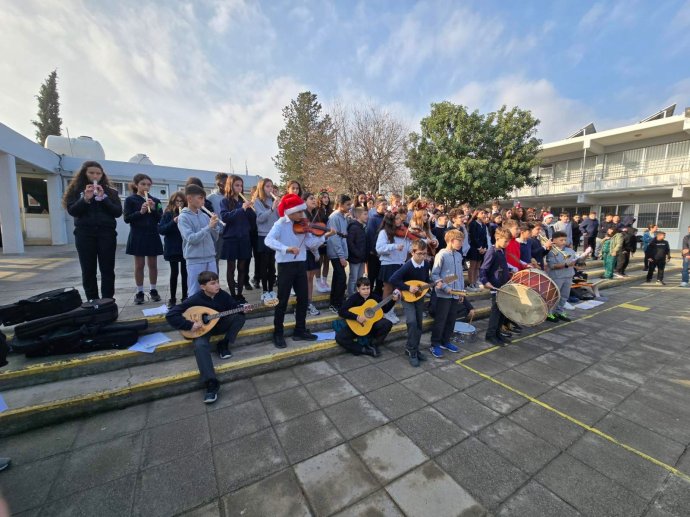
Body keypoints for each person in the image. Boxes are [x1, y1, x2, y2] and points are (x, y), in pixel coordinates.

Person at [265, 194, 335, 349]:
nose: (302, 214)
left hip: (300, 264)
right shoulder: (280, 223)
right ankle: (278, 333)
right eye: (298, 212)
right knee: (282, 301)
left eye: (302, 211)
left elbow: (310, 243)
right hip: (285, 266)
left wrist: (325, 236)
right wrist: (286, 249)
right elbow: (268, 240)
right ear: (290, 211)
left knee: (303, 299)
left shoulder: (303, 223)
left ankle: (300, 330)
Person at [166, 271, 248, 403]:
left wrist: (242, 308)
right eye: (213, 283)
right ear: (203, 287)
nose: (217, 285)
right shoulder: (195, 299)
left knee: (240, 317)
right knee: (200, 345)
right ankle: (211, 383)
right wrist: (189, 325)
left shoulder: (222, 295)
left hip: (219, 325)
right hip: (201, 329)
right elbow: (171, 315)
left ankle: (224, 344)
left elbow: (234, 307)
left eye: (218, 282)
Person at [63, 160, 122, 301]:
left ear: (102, 175)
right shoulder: (76, 190)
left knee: (107, 269)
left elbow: (117, 212)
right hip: (84, 234)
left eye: (98, 173)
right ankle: (92, 301)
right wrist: (85, 199)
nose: (95, 176)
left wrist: (104, 198)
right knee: (88, 270)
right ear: (85, 173)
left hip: (106, 234)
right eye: (91, 173)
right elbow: (72, 211)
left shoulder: (111, 192)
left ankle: (107, 300)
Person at [389, 240, 436, 366]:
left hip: (419, 297)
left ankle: (414, 348)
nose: (422, 256)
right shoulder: (408, 265)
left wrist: (433, 284)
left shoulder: (426, 264)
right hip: (407, 297)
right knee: (412, 322)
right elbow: (393, 279)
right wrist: (408, 287)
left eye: (424, 254)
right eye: (420, 253)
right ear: (412, 252)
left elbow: (426, 280)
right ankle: (411, 350)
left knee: (419, 324)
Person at [429, 229, 473, 358]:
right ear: (451, 240)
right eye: (459, 241)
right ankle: (435, 344)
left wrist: (460, 292)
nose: (461, 243)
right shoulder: (441, 255)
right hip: (443, 295)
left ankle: (445, 341)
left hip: (455, 294)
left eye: (462, 241)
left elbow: (459, 276)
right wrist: (445, 287)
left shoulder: (458, 255)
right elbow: (435, 275)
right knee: (440, 320)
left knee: (451, 319)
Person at [123, 173, 163, 304]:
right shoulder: (130, 200)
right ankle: (139, 292)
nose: (146, 187)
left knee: (153, 265)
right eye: (143, 184)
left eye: (148, 185)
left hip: (152, 234)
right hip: (138, 234)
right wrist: (140, 212)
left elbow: (161, 218)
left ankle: (153, 290)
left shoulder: (156, 200)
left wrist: (154, 209)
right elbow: (127, 218)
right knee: (139, 265)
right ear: (136, 185)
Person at [177, 185, 222, 296]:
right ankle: (195, 308)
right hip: (195, 259)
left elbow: (215, 238)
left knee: (213, 289)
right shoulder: (183, 217)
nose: (203, 201)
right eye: (200, 198)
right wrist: (208, 227)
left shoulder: (205, 216)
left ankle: (212, 307)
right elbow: (192, 239)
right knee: (195, 290)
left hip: (210, 257)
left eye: (204, 198)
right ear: (189, 199)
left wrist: (215, 226)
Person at [336, 277, 398, 357]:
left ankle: (374, 344)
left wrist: (393, 300)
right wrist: (356, 317)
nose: (366, 291)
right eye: (363, 289)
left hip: (371, 325)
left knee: (388, 323)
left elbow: (385, 309)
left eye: (368, 288)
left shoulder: (374, 297)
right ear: (358, 289)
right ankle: (363, 350)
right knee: (340, 337)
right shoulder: (353, 298)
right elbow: (341, 311)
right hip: (356, 325)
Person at [220, 175, 256, 303]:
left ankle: (240, 294)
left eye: (241, 185)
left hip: (244, 238)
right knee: (231, 268)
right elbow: (225, 217)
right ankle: (232, 295)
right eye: (237, 185)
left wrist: (251, 209)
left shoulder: (243, 201)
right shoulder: (225, 201)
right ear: (230, 186)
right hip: (231, 238)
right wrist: (242, 209)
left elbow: (252, 221)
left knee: (242, 268)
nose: (239, 188)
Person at [375, 212, 412, 324]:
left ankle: (391, 310)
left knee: (397, 290)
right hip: (389, 263)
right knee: (388, 289)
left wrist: (414, 247)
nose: (400, 220)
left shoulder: (403, 232)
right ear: (391, 221)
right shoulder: (384, 232)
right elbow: (379, 248)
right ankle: (385, 312)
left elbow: (409, 247)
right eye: (397, 218)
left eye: (400, 218)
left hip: (401, 263)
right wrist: (395, 246)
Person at [480, 227, 512, 346]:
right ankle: (490, 335)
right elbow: (483, 269)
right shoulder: (491, 252)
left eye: (508, 241)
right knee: (496, 312)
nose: (507, 244)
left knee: (502, 312)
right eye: (506, 241)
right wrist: (485, 281)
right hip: (495, 287)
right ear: (497, 238)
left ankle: (498, 334)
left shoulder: (502, 250)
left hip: (503, 286)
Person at [158, 192, 188, 308]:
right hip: (172, 247)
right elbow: (161, 230)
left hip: (184, 247)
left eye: (181, 201)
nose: (179, 204)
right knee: (174, 273)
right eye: (177, 201)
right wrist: (173, 222)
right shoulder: (168, 214)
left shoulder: (186, 214)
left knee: (185, 273)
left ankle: (185, 297)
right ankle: (172, 298)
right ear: (173, 202)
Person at [252, 178, 279, 303]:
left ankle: (271, 289)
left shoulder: (274, 200)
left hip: (274, 236)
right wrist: (272, 209)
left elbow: (279, 218)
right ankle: (264, 290)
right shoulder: (258, 201)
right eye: (267, 186)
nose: (270, 189)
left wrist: (280, 206)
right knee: (264, 265)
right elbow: (260, 219)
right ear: (262, 188)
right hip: (263, 236)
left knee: (272, 264)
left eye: (271, 186)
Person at [327, 194, 352, 312]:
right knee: (341, 277)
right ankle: (335, 303)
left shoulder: (343, 216)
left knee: (338, 277)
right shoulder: (334, 217)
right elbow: (334, 238)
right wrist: (341, 256)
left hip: (341, 251)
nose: (350, 206)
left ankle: (336, 301)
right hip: (336, 253)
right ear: (340, 205)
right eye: (347, 204)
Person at [545, 231, 576, 323]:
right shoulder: (551, 251)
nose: (564, 242)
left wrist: (583, 257)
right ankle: (549, 313)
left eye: (565, 240)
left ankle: (559, 311)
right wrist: (566, 264)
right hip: (557, 276)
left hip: (568, 275)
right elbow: (552, 266)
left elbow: (575, 260)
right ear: (554, 240)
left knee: (564, 296)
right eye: (561, 240)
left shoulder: (569, 250)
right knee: (554, 296)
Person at [303, 192, 324, 316]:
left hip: (312, 250)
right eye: (311, 198)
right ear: (304, 201)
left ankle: (309, 302)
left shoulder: (315, 215)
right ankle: (303, 303)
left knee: (311, 278)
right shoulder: (302, 215)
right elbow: (308, 240)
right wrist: (324, 236)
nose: (314, 200)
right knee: (305, 279)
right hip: (304, 251)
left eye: (314, 198)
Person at [366, 198, 388, 296]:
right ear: (377, 206)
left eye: (386, 204)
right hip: (374, 253)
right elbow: (370, 236)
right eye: (383, 204)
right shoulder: (373, 219)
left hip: (383, 253)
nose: (385, 207)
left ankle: (378, 295)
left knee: (380, 276)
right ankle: (369, 295)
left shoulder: (386, 218)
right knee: (372, 275)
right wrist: (374, 251)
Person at [206, 173, 228, 269]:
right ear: (218, 184)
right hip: (218, 234)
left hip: (230, 232)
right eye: (223, 183)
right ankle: (215, 277)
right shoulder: (211, 198)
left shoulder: (230, 197)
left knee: (231, 260)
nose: (225, 185)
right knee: (215, 259)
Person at [347, 207, 368, 297]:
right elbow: (350, 243)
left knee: (359, 278)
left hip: (361, 258)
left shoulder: (362, 227)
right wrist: (358, 254)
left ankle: (357, 295)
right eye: (365, 214)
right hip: (355, 258)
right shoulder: (354, 227)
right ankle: (351, 295)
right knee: (353, 278)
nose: (367, 216)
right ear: (358, 215)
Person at [467, 209, 490, 291]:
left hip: (482, 249)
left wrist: (485, 247)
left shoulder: (483, 225)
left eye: (484, 213)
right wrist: (479, 247)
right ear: (477, 214)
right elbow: (473, 237)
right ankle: (471, 283)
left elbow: (485, 238)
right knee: (472, 266)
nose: (484, 215)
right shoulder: (473, 224)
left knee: (478, 266)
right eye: (482, 213)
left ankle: (475, 281)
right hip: (474, 248)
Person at [315, 191, 333, 292]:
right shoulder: (317, 210)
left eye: (327, 197)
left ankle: (324, 281)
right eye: (324, 197)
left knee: (327, 260)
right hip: (320, 237)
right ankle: (318, 282)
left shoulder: (330, 210)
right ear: (320, 199)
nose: (326, 199)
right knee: (319, 261)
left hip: (329, 238)